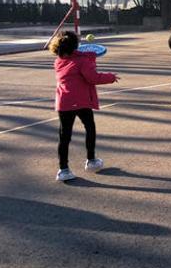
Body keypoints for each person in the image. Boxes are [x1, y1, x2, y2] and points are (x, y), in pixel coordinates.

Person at [49, 31, 119, 182]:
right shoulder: (82, 61)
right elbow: (92, 77)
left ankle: (63, 169)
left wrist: (87, 58)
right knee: (90, 128)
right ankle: (91, 160)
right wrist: (111, 77)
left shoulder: (58, 61)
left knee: (64, 136)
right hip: (80, 101)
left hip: (64, 102)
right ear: (75, 46)